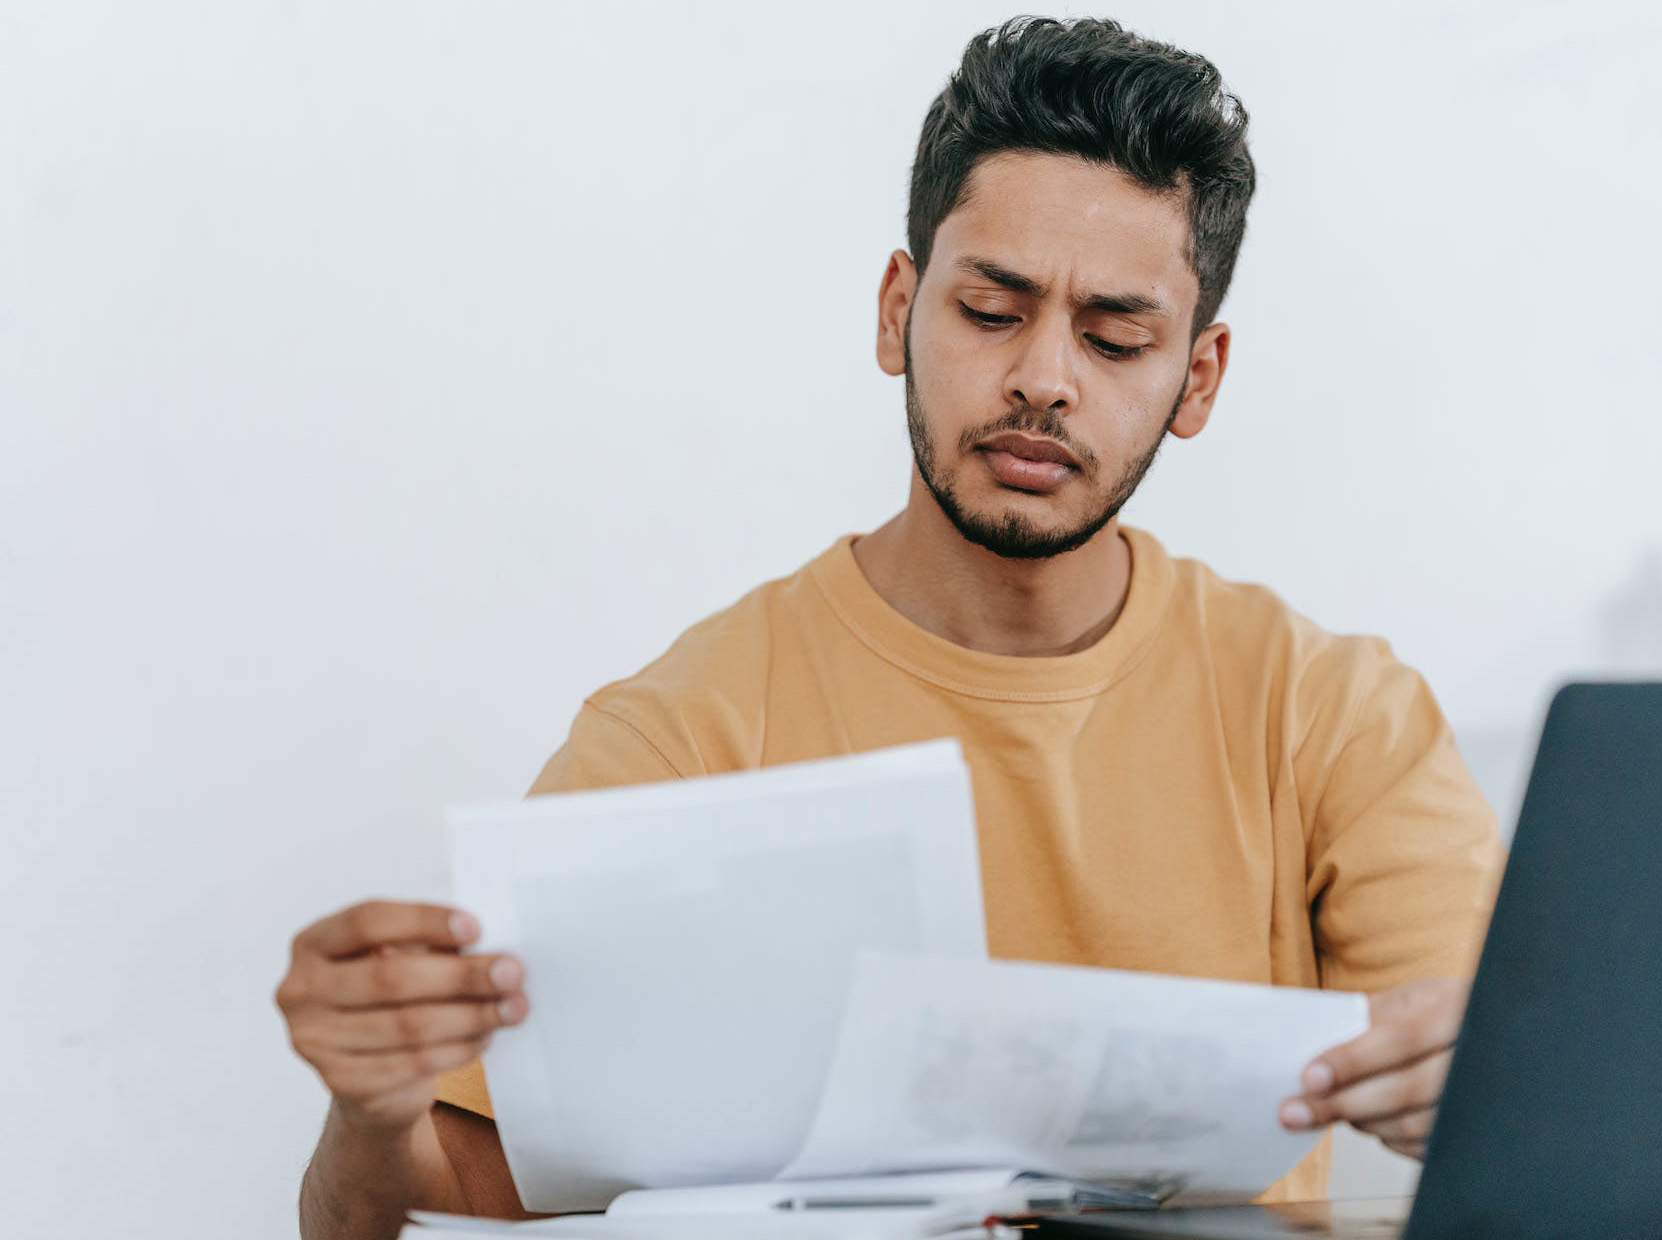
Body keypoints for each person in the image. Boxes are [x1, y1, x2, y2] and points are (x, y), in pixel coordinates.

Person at [274, 16, 1504, 1239]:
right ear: (896, 312)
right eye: (990, 310)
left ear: (1197, 378)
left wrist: (1484, 1084)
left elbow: (1516, 1105)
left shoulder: (1331, 713)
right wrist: (370, 1114)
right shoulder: (691, 730)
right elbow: (433, 1202)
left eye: (1116, 336)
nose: (1045, 378)